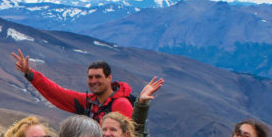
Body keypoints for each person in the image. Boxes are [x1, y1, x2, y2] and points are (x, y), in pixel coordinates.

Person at [12, 49, 164, 122]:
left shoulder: (121, 105)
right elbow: (57, 94)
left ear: (109, 78)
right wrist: (30, 73)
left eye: (98, 77)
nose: (93, 81)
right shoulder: (90, 102)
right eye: (90, 77)